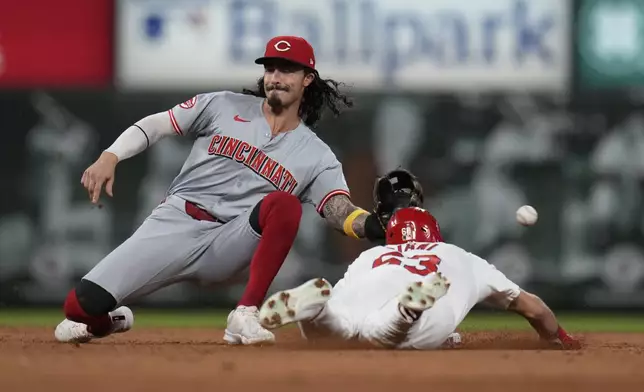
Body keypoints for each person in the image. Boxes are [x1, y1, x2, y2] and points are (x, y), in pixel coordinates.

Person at [54, 36, 389, 345]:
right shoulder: (223, 105)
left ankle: (244, 314)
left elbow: (338, 211)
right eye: (270, 68)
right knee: (78, 308)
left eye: (287, 69)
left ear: (307, 79)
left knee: (283, 204)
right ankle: (110, 320)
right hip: (175, 223)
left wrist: (376, 225)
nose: (276, 76)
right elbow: (159, 123)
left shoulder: (316, 155)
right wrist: (111, 155)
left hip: (230, 240)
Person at [258, 207, 581, 350]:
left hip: (369, 284)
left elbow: (349, 296)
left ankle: (317, 309)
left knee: (340, 326)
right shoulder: (459, 255)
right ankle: (404, 310)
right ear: (435, 234)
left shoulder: (370, 255)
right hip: (429, 295)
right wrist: (560, 337)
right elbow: (534, 310)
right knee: (380, 333)